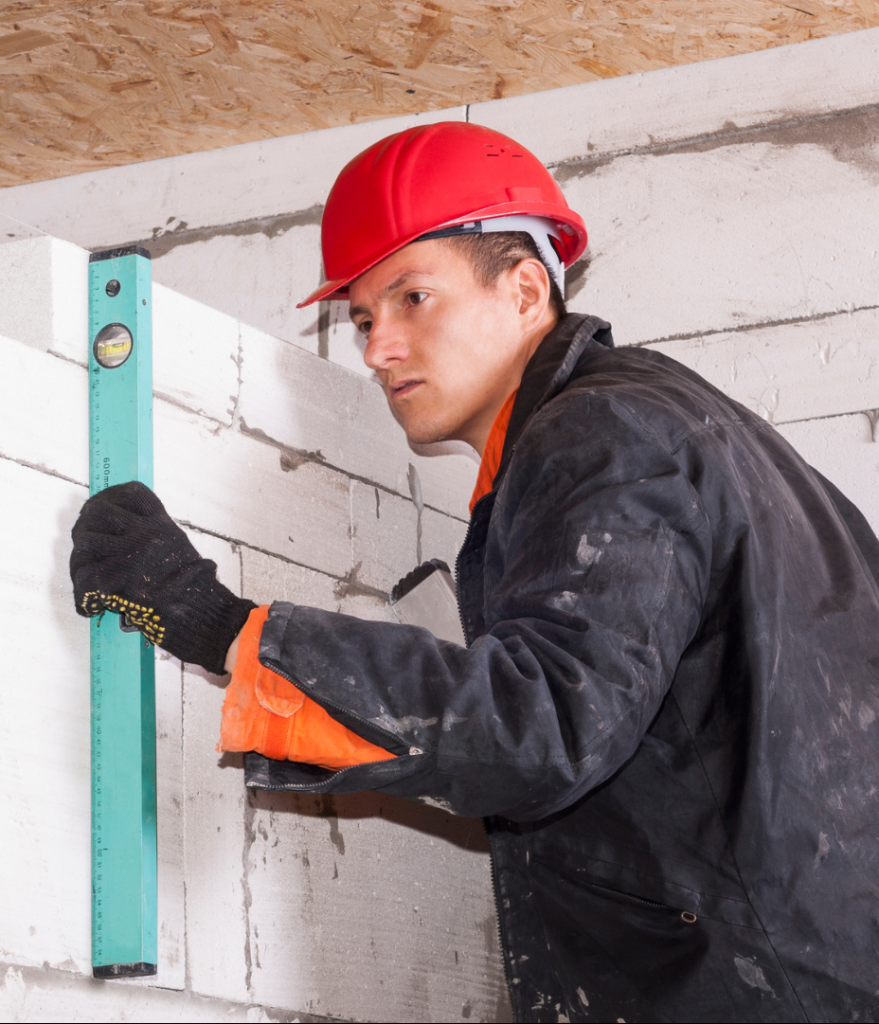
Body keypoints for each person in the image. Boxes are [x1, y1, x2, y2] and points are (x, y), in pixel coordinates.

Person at [70, 122, 879, 1023]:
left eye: (413, 298)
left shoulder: (602, 435)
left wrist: (215, 624)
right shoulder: (717, 447)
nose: (378, 348)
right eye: (367, 317)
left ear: (527, 287)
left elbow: (544, 722)